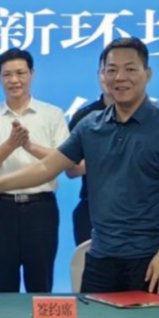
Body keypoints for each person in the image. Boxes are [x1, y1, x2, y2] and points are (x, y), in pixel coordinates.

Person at [0, 38, 159, 294]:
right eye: (111, 70)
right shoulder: (90, 125)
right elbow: (47, 168)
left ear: (147, 74)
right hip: (100, 255)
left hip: (148, 258)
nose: (120, 77)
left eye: (130, 69)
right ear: (102, 75)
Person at [0, 49, 70, 293]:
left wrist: (29, 146)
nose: (14, 80)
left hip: (41, 209)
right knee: (2, 287)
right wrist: (10, 145)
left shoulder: (52, 114)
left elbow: (65, 161)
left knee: (41, 286)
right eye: (7, 75)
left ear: (32, 74)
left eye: (20, 73)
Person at [66, 74, 112, 247]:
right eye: (107, 71)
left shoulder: (152, 117)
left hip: (138, 210)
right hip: (92, 208)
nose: (112, 78)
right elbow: (71, 170)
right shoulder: (85, 117)